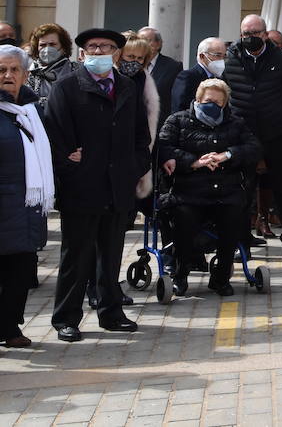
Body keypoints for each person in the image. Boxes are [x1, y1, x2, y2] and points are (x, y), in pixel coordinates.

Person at [44, 28, 150, 341]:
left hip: (117, 184)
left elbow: (141, 136)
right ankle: (66, 317)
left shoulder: (128, 87)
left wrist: (134, 167)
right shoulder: (67, 87)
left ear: (117, 53)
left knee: (112, 253)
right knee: (76, 256)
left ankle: (111, 312)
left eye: (105, 47)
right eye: (92, 47)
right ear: (82, 54)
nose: (98, 51)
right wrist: (69, 163)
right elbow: (55, 134)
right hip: (82, 185)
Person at [158, 78, 261, 297]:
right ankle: (181, 273)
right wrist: (195, 162)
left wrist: (227, 155)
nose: (212, 105)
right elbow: (164, 148)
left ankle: (221, 277)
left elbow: (253, 148)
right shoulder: (177, 121)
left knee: (233, 218)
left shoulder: (235, 123)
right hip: (189, 191)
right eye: (208, 100)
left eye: (218, 102)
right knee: (183, 219)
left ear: (225, 104)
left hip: (227, 190)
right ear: (197, 100)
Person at [223, 15, 282, 260]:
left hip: (277, 136)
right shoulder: (231, 58)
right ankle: (242, 243)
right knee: (242, 192)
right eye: (245, 34)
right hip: (242, 135)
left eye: (255, 34)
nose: (250, 38)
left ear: (265, 34)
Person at [0, 45, 55, 348]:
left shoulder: (34, 111)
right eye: (1, 70)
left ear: (24, 74)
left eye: (14, 70)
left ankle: (10, 328)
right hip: (3, 202)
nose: (8, 75)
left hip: (27, 206)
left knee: (20, 273)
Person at [118, 33, 162, 201]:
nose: (134, 62)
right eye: (130, 57)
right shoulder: (111, 78)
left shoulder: (143, 79)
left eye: (140, 58)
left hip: (135, 145)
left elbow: (149, 114)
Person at [170, 38, 227, 115]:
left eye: (224, 56)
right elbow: (179, 107)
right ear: (202, 56)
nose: (222, 60)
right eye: (218, 55)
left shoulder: (222, 78)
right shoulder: (188, 77)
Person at [138, 26, 182, 125]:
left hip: (160, 123)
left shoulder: (173, 66)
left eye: (146, 41)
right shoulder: (132, 64)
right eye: (139, 41)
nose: (142, 45)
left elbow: (176, 98)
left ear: (158, 44)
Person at [25, 22, 75, 109]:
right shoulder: (29, 74)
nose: (47, 49)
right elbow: (26, 102)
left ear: (63, 47)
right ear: (36, 48)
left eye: (52, 44)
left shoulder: (75, 71)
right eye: (42, 45)